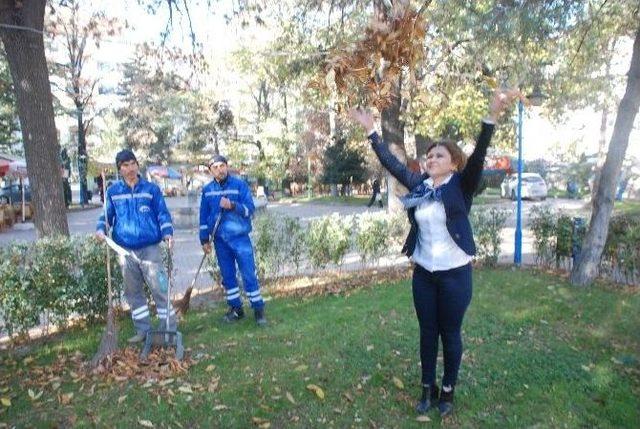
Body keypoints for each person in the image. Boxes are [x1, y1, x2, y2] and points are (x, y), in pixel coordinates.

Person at [349, 89, 519, 417]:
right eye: (429, 156)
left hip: (456, 273)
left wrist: (492, 115)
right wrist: (371, 131)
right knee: (428, 332)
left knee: (449, 333)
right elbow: (390, 163)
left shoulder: (462, 184)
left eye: (439, 156)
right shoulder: (420, 186)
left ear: (453, 163)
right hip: (424, 273)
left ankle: (448, 390)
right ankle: (426, 388)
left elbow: (480, 154)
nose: (431, 159)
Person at [95, 149, 176, 344]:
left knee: (160, 288)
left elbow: (163, 214)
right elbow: (106, 217)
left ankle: (169, 328)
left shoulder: (151, 189)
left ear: (137, 165)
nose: (130, 168)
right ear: (120, 169)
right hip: (125, 251)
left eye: (133, 163)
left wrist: (168, 233)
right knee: (133, 293)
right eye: (125, 165)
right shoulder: (113, 192)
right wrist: (100, 230)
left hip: (150, 249)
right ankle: (143, 330)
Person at [199, 155, 267, 326]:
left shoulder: (239, 186)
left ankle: (258, 309)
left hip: (240, 238)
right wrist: (204, 240)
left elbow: (250, 210)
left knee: (248, 273)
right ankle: (236, 309)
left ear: (227, 167)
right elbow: (203, 217)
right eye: (215, 167)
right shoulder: (207, 190)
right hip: (220, 240)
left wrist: (232, 206)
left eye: (222, 166)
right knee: (228, 276)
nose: (220, 169)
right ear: (210, 170)